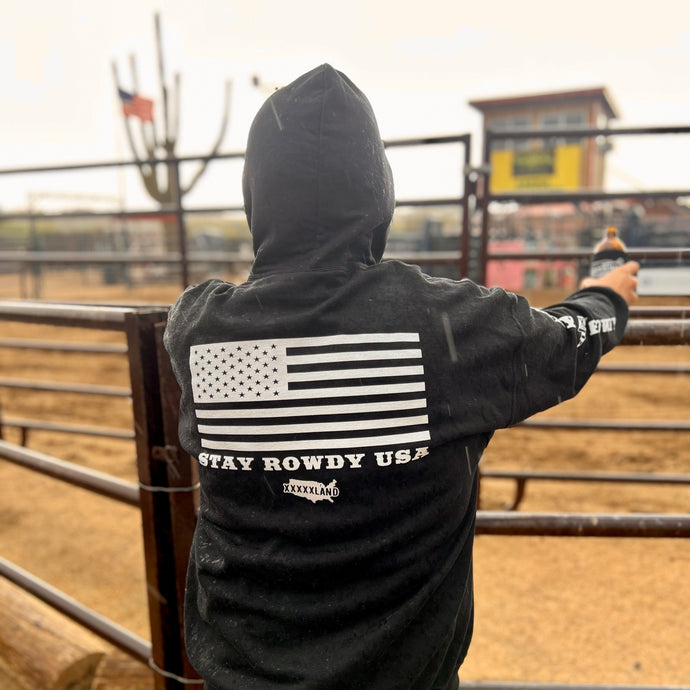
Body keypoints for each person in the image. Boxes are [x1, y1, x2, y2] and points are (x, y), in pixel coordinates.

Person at [163, 64, 638, 690]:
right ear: (377, 196)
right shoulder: (446, 327)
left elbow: (287, 363)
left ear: (257, 197)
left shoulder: (199, 329)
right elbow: (570, 340)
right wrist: (608, 293)